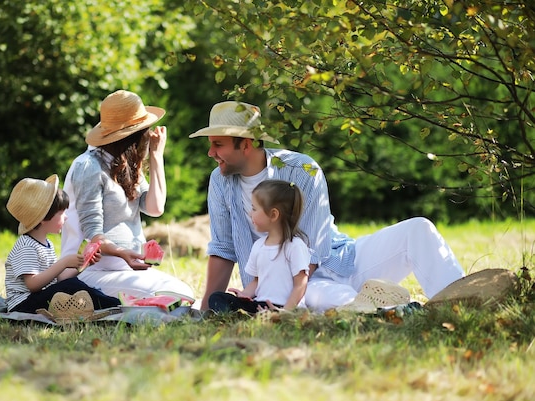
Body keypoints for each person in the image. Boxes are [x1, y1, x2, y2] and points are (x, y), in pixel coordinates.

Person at [189, 101, 465, 312]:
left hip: (339, 261)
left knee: (418, 228)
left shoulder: (302, 169)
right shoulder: (220, 181)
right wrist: (205, 312)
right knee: (330, 300)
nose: (211, 153)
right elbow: (224, 249)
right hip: (296, 287)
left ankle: (465, 304)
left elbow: (313, 248)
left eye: (218, 144)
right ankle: (388, 310)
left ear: (246, 144)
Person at [60, 90, 194, 299]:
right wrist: (122, 253)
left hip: (125, 270)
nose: (148, 135)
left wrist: (157, 158)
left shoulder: (124, 163)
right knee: (177, 296)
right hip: (90, 272)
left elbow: (155, 208)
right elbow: (93, 236)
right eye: (144, 130)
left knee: (185, 292)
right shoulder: (89, 167)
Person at [5, 174, 121, 313]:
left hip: (39, 298)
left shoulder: (46, 243)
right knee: (70, 286)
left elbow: (59, 278)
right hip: (23, 305)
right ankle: (115, 305)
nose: (66, 217)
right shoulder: (26, 246)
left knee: (73, 285)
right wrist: (63, 262)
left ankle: (111, 304)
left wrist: (84, 262)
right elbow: (33, 284)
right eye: (61, 213)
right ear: (43, 218)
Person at [208, 179, 311, 313]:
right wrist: (244, 295)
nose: (251, 213)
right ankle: (243, 315)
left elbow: (300, 284)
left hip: (284, 307)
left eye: (254, 208)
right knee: (217, 297)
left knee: (269, 313)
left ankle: (262, 316)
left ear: (273, 214)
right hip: (260, 305)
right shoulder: (258, 245)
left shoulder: (295, 246)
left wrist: (286, 312)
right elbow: (257, 281)